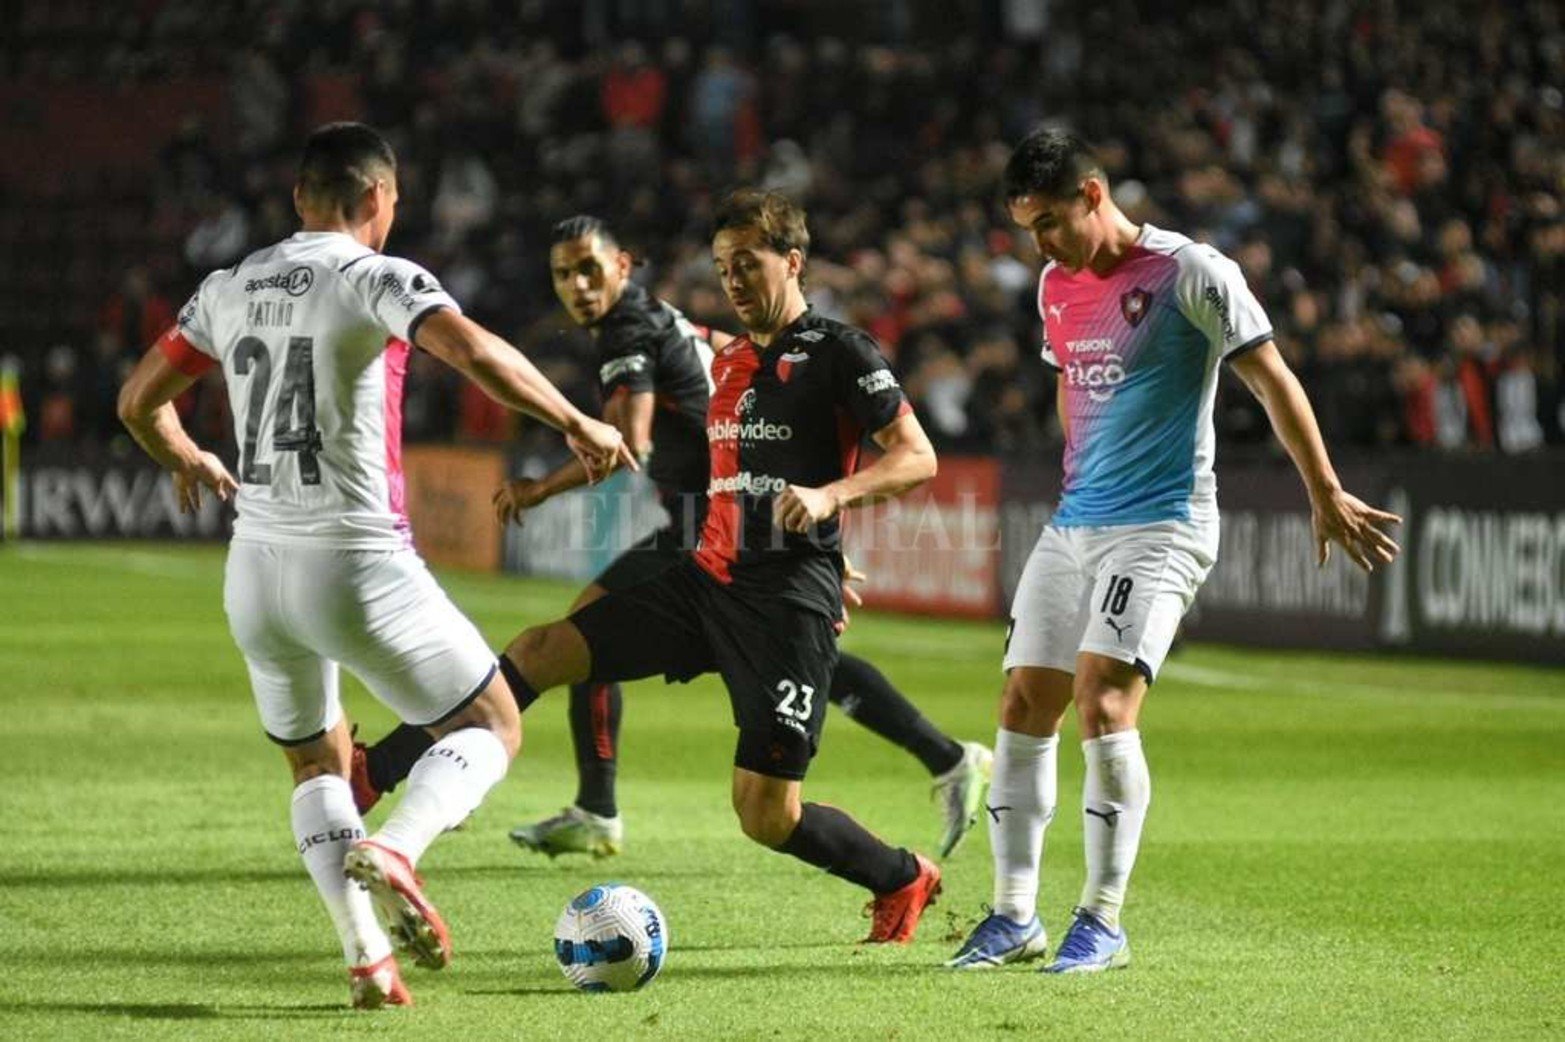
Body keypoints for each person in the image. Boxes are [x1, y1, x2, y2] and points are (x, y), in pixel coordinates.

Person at [115, 122, 631, 1009]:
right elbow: (473, 351)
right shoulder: (373, 275)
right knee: (491, 722)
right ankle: (396, 846)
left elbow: (136, 402)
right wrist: (576, 422)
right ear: (377, 198)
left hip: (254, 571)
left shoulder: (228, 285)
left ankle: (367, 959)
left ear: (298, 198)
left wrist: (186, 456)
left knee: (316, 766)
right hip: (353, 558)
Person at [350, 214, 992, 861]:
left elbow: (629, 440)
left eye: (589, 269)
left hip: (704, 527)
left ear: (622, 266)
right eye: (563, 275)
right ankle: (944, 756)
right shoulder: (677, 324)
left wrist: (540, 488)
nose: (577, 286)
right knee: (606, 645)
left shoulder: (630, 329)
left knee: (580, 643)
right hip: (724, 526)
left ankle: (422, 774)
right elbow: (733, 375)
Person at [946, 130, 1402, 973]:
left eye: (1047, 223)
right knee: (1021, 701)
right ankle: (1012, 916)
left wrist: (1324, 488)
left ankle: (1101, 921)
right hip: (1075, 521)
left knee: (1102, 701)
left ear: (1092, 194)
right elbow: (1070, 383)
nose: (1039, 245)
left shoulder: (1189, 271)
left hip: (1161, 522)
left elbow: (1270, 377)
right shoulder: (1053, 285)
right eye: (1027, 229)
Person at [495, 189, 945, 944]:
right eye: (722, 266)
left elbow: (917, 456)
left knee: (764, 814)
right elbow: (730, 485)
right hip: (705, 583)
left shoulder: (841, 351)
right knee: (544, 647)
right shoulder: (730, 362)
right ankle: (421, 770)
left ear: (792, 261)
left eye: (747, 264)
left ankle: (902, 875)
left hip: (786, 605)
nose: (731, 280)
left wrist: (831, 500)